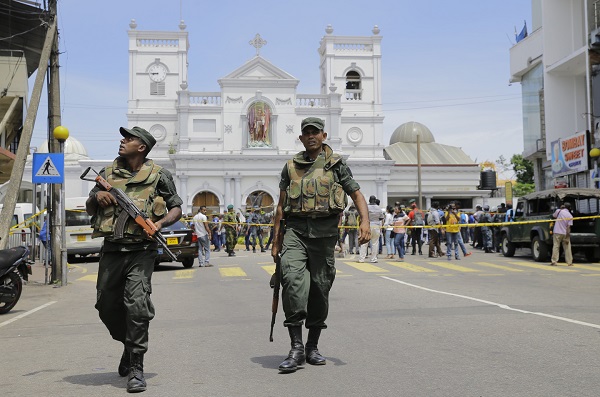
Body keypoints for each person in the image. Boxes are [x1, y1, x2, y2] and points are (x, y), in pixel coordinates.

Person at [86, 126, 183, 393]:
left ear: (142, 147)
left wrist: (160, 223)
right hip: (112, 249)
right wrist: (98, 196)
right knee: (105, 305)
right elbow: (90, 206)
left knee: (136, 305)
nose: (122, 140)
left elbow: (177, 206)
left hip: (142, 250)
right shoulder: (106, 174)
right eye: (124, 137)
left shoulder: (159, 175)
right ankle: (129, 345)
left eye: (129, 138)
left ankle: (136, 367)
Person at [271, 117, 370, 373]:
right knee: (292, 282)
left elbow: (356, 194)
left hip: (325, 235)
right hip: (295, 232)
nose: (311, 136)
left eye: (316, 132)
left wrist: (365, 222)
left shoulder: (336, 165)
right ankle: (296, 347)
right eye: (307, 133)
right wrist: (275, 242)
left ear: (323, 136)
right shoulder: (290, 167)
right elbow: (281, 207)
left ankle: (312, 346)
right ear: (301, 138)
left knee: (319, 289)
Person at [358, 195, 384, 263]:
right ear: (375, 200)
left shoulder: (366, 207)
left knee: (364, 243)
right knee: (375, 243)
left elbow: (362, 216)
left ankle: (361, 259)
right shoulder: (379, 208)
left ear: (369, 200)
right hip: (376, 226)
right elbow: (381, 218)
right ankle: (374, 259)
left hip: (368, 226)